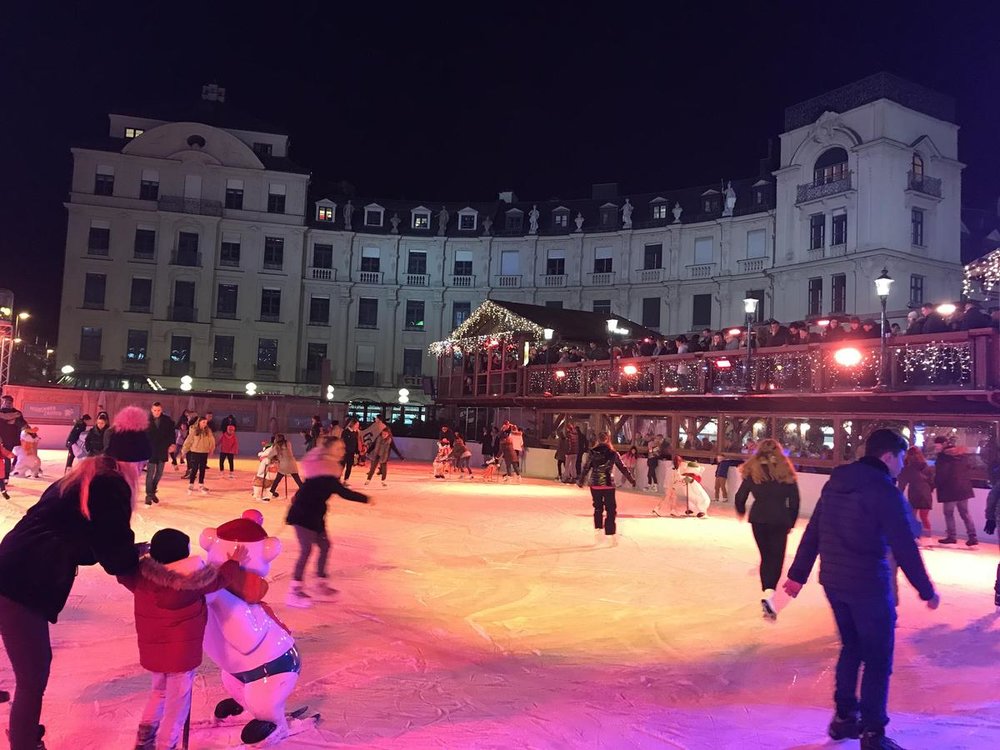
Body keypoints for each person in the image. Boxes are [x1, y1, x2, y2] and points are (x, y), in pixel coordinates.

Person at [0, 406, 150, 750]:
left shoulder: (88, 473)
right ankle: (24, 742)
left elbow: (79, 537)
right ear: (132, 461)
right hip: (24, 580)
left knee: (32, 668)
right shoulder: (111, 485)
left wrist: (122, 551)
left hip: (11, 563)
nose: (143, 470)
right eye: (141, 464)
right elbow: (114, 556)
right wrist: (135, 562)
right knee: (34, 674)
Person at [783, 429, 940, 749]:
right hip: (869, 584)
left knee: (851, 648)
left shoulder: (836, 482)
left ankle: (843, 719)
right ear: (887, 456)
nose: (900, 465)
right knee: (878, 659)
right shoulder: (883, 490)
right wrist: (926, 590)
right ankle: (872, 733)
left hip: (835, 582)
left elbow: (813, 531)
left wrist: (798, 574)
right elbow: (904, 546)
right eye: (900, 458)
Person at [118, 529, 266, 750]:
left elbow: (122, 573)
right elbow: (219, 579)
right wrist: (234, 562)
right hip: (181, 657)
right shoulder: (192, 582)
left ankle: (144, 741)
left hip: (154, 652)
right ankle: (166, 745)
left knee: (158, 692)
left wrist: (135, 553)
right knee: (177, 706)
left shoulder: (141, 578)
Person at [285, 438, 370, 608]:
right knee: (306, 550)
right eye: (339, 448)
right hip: (303, 516)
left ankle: (320, 583)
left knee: (324, 546)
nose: (343, 451)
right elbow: (343, 492)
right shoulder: (324, 472)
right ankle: (294, 590)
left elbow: (308, 487)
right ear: (328, 450)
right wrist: (366, 499)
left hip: (315, 515)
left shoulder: (322, 468)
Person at [734, 439, 801, 620]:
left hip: (758, 519)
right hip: (779, 519)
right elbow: (795, 501)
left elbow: (740, 496)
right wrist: (791, 521)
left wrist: (740, 510)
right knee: (776, 559)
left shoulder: (753, 470)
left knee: (766, 557)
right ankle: (769, 596)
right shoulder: (785, 471)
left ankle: (767, 593)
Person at [578, 432, 636, 544]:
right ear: (608, 439)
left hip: (595, 483)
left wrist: (581, 480)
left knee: (598, 507)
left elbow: (586, 467)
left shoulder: (592, 452)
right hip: (608, 484)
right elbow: (623, 468)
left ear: (598, 440)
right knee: (610, 509)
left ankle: (598, 529)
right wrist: (631, 480)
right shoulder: (613, 453)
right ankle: (610, 532)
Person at [931, 435, 977, 546]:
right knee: (965, 513)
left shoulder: (943, 457)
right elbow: (969, 467)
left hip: (950, 489)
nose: (935, 447)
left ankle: (951, 536)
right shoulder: (961, 455)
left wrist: (934, 484)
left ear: (942, 444)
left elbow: (942, 474)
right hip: (963, 488)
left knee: (948, 513)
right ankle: (973, 536)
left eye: (936, 445)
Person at [896, 446, 933, 536]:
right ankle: (928, 536)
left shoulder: (907, 468)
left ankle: (914, 534)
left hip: (914, 492)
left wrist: (898, 495)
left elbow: (902, 484)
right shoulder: (926, 467)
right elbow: (932, 481)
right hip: (926, 492)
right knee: (924, 517)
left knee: (912, 516)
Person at [145, 402, 175, 506]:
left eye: (158, 410)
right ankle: (149, 495)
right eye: (155, 410)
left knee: (159, 473)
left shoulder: (167, 420)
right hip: (150, 451)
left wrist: (172, 444)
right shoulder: (146, 421)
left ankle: (152, 491)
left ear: (161, 410)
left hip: (162, 450)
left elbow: (172, 433)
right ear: (151, 410)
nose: (156, 412)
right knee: (150, 474)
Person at [180, 417, 215, 495]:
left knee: (202, 469)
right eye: (203, 422)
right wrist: (184, 451)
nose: (205, 424)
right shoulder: (194, 431)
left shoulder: (208, 431)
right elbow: (188, 441)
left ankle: (201, 485)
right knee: (194, 469)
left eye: (206, 422)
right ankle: (191, 485)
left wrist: (211, 449)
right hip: (195, 452)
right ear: (199, 422)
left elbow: (211, 440)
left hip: (204, 452)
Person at [264, 433, 302, 498]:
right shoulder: (288, 443)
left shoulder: (277, 446)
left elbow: (270, 455)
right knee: (297, 479)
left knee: (277, 479)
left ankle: (272, 491)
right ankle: (304, 490)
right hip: (292, 463)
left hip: (284, 464)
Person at [0, 394, 28, 478]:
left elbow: (23, 424)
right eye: (4, 402)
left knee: (6, 457)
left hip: (10, 439)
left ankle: (6, 477)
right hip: (0, 438)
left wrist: (15, 422)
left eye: (8, 402)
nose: (6, 404)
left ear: (12, 403)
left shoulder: (17, 413)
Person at [341, 419, 361, 484]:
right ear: (353, 424)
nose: (358, 426)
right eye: (357, 424)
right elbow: (342, 442)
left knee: (349, 467)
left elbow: (355, 443)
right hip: (344, 452)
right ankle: (337, 480)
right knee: (341, 467)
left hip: (351, 453)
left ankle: (346, 480)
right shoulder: (345, 432)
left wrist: (357, 452)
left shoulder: (355, 432)